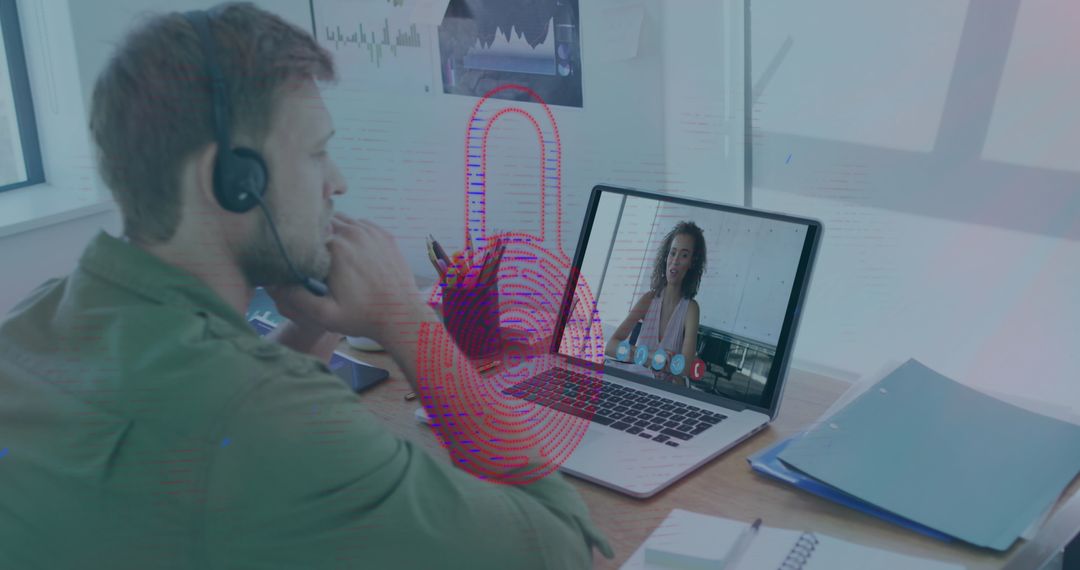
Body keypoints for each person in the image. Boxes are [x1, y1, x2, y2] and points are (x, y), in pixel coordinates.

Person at [0, 3, 610, 568]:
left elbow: (210, 414)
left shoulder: (32, 326)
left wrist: (316, 320)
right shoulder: (278, 423)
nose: (337, 182)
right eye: (317, 154)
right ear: (234, 181)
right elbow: (558, 544)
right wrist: (404, 318)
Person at [605, 221, 706, 384]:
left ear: (692, 263)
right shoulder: (648, 300)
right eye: (673, 253)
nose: (675, 261)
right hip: (636, 384)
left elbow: (685, 368)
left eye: (684, 255)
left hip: (662, 392)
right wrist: (652, 357)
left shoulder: (691, 309)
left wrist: (638, 355)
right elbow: (610, 346)